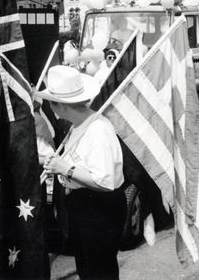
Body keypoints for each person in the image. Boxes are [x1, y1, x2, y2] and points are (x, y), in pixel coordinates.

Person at [38, 65, 126, 279]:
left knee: (99, 272)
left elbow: (104, 182)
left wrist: (65, 168)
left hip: (98, 208)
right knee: (87, 269)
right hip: (83, 206)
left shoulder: (98, 130)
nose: (50, 107)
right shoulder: (80, 125)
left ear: (62, 106)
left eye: (52, 102)